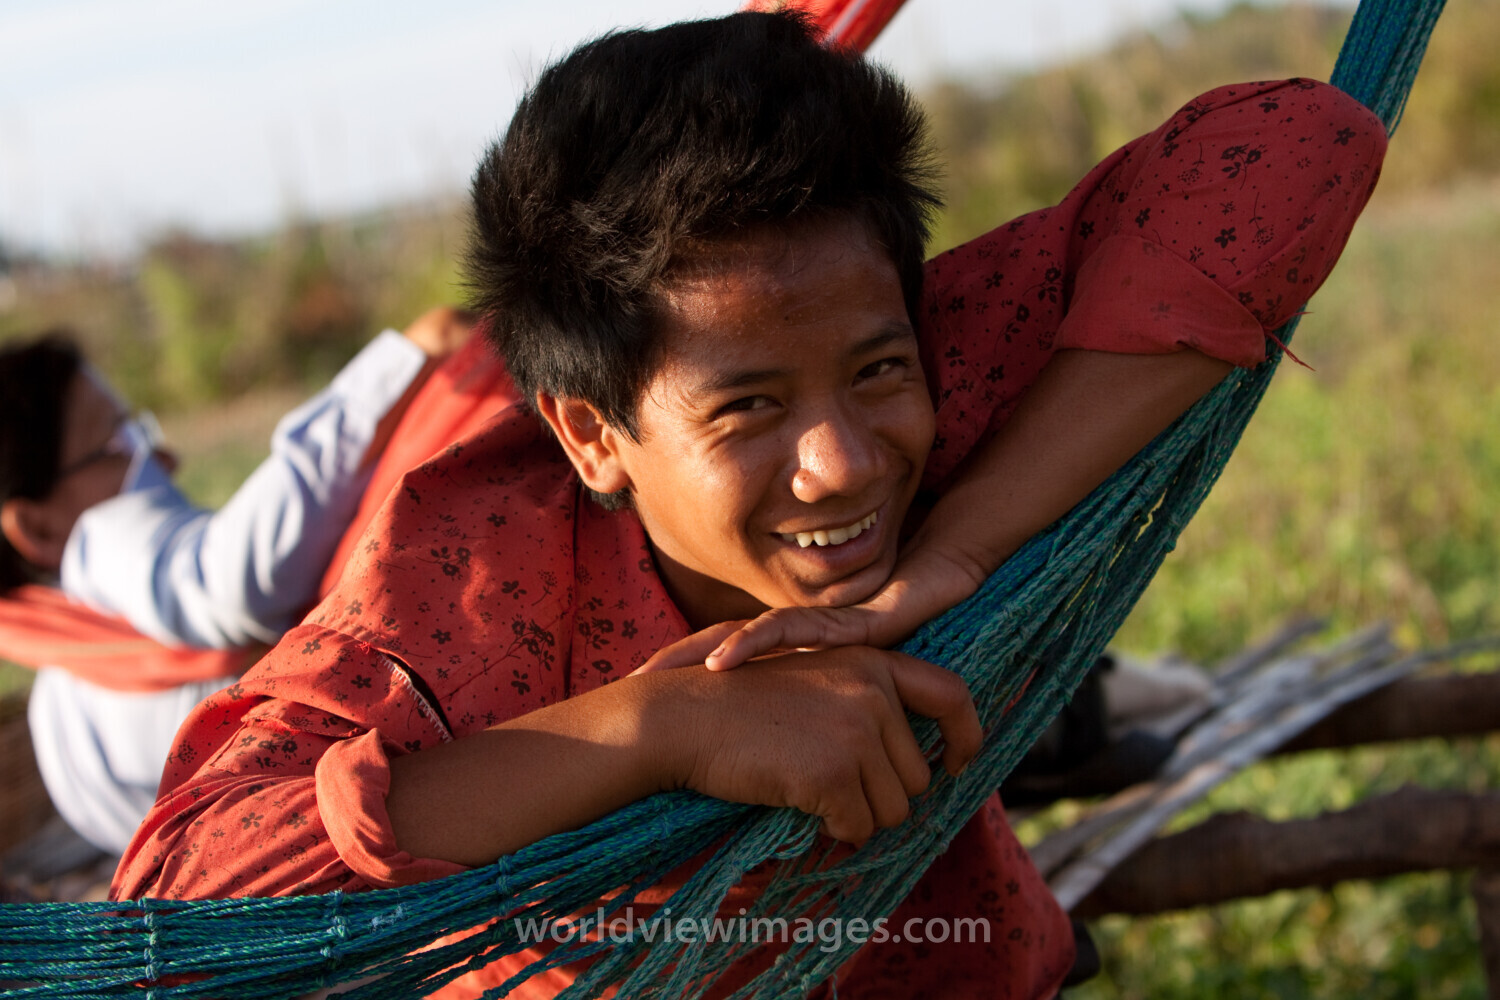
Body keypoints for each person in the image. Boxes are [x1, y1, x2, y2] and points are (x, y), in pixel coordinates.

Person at [113, 12, 1387, 998]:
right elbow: (176, 913)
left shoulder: (939, 361)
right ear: (591, 434)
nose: (843, 461)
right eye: (747, 409)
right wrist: (661, 727)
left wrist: (958, 549)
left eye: (877, 371)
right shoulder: (472, 588)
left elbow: (1304, 144)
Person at [0, 306, 473, 853]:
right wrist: (409, 354)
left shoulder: (62, 705)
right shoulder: (97, 545)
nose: (165, 458)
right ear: (36, 527)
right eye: (119, 443)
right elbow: (226, 582)